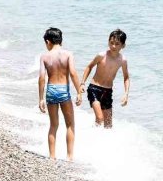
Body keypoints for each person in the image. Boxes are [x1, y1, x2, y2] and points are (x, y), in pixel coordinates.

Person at [38, 28, 83, 160]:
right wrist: (79, 92)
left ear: (48, 42)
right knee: (70, 124)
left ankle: (52, 156)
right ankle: (69, 156)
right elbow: (73, 73)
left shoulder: (44, 57)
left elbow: (41, 78)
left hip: (51, 90)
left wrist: (41, 98)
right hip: (64, 90)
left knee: (53, 125)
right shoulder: (68, 54)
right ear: (61, 41)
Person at [80, 29, 130, 128]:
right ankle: (93, 135)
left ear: (123, 45)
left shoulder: (123, 60)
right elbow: (89, 67)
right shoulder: (101, 55)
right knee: (100, 118)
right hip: (94, 88)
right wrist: (82, 83)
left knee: (108, 125)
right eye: (111, 43)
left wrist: (126, 94)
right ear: (108, 42)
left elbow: (126, 78)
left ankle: (97, 136)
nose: (113, 46)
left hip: (108, 91)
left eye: (117, 44)